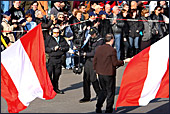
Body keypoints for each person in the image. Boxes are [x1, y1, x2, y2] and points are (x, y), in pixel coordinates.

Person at [93, 33, 130, 113]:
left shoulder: (99, 48)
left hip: (100, 73)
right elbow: (115, 63)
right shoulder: (112, 50)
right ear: (112, 40)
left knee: (103, 91)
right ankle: (108, 109)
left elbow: (95, 60)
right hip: (109, 73)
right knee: (110, 92)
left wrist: (96, 70)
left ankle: (98, 106)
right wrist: (124, 61)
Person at [79, 27, 104, 103]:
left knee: (93, 79)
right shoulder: (89, 39)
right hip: (88, 61)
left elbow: (95, 52)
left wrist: (85, 54)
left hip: (95, 61)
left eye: (93, 34)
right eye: (91, 34)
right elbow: (85, 47)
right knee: (86, 79)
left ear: (96, 33)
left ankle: (99, 94)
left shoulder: (100, 40)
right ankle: (86, 96)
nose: (91, 36)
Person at [45, 27, 69, 94]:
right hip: (51, 58)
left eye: (58, 32)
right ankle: (49, 89)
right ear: (52, 32)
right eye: (55, 32)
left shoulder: (61, 38)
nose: (56, 34)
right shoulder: (49, 38)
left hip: (59, 59)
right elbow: (45, 48)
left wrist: (62, 48)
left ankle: (56, 88)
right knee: (49, 74)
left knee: (57, 74)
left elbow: (67, 47)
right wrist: (52, 49)